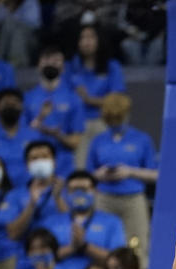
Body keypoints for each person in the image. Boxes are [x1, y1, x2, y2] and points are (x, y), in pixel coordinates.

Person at [86, 93, 158, 268]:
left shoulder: (141, 139)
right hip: (104, 198)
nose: (115, 123)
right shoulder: (98, 141)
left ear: (127, 115)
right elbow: (88, 176)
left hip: (133, 198)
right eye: (110, 120)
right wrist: (100, 175)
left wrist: (130, 172)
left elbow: (155, 174)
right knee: (104, 243)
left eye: (118, 119)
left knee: (138, 245)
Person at [39, 170, 126, 269]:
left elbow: (119, 260)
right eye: (74, 189)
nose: (79, 193)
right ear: (66, 193)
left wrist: (85, 246)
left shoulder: (113, 222)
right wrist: (72, 248)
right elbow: (40, 258)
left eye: (84, 189)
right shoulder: (51, 222)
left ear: (95, 191)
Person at [67, 25, 126, 170]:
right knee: (80, 166)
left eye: (91, 37)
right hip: (77, 125)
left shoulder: (112, 66)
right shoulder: (71, 66)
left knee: (105, 165)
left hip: (104, 122)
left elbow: (116, 100)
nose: (86, 42)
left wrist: (88, 99)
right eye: (82, 38)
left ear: (99, 40)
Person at [24, 46, 85, 179]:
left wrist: (57, 135)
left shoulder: (74, 99)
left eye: (56, 60)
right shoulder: (27, 98)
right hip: (34, 164)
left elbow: (75, 142)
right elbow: (21, 137)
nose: (51, 64)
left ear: (63, 66)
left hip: (63, 165)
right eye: (46, 60)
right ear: (38, 64)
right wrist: (39, 121)